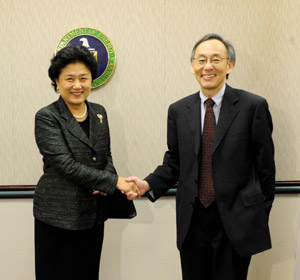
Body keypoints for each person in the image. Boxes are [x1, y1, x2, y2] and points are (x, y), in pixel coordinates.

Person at [128, 33, 275, 280]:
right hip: (193, 219)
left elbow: (266, 170)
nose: (208, 66)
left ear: (229, 65)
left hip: (235, 221)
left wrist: (256, 217)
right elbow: (174, 161)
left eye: (216, 59)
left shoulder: (253, 106)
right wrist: (148, 184)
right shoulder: (178, 110)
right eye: (201, 60)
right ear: (192, 65)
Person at [34, 44, 139, 280]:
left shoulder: (99, 112)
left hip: (92, 215)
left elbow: (106, 156)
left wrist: (106, 181)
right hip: (57, 216)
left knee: (88, 274)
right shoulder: (47, 116)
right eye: (69, 79)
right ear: (57, 81)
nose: (77, 85)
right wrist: (113, 182)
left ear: (92, 80)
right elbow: (64, 165)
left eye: (84, 78)